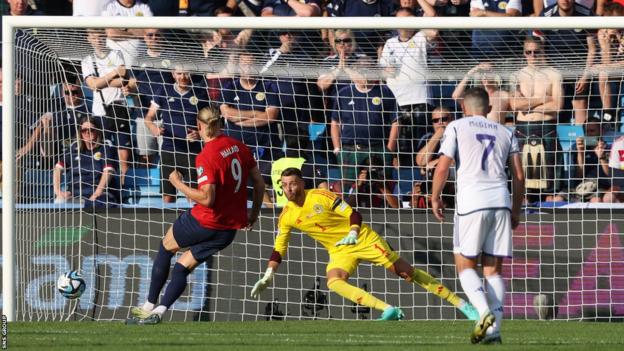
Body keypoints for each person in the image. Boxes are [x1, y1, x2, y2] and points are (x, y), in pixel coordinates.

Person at [251, 167, 480, 321]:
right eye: (284, 185)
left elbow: (354, 214)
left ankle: (460, 303)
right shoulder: (287, 215)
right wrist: (268, 274)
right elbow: (279, 247)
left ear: (301, 183)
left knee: (406, 273)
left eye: (292, 184)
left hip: (362, 238)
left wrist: (352, 232)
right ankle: (388, 309)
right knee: (334, 281)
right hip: (340, 249)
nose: (289, 189)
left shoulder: (321, 196)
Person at [127, 106, 265, 325]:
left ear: (200, 126)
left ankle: (148, 306)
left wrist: (177, 183)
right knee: (182, 266)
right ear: (220, 124)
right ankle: (159, 312)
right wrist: (253, 214)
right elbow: (259, 183)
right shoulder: (239, 146)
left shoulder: (206, 156)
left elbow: (207, 198)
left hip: (205, 221)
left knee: (166, 247)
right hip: (228, 231)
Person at [431, 87, 525, 344]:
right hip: (500, 202)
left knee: (464, 265)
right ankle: (494, 333)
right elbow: (518, 176)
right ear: (490, 108)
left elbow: (442, 166)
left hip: (472, 202)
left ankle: (484, 314)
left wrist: (435, 196)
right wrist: (515, 209)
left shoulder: (457, 127)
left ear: (463, 107)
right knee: (493, 271)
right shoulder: (507, 131)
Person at [144, 66, 211, 203]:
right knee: (168, 197)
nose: (183, 77)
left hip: (193, 151)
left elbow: (209, 122)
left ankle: (192, 223)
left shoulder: (200, 93)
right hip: (169, 149)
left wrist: (199, 134)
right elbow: (148, 118)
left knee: (194, 196)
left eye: (186, 73)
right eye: (179, 73)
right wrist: (153, 128)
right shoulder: (164, 90)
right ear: (173, 74)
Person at [53, 116, 120, 208]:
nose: (87, 133)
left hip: (100, 194)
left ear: (97, 131)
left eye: (91, 130)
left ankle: (84, 204)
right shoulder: (74, 147)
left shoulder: (105, 146)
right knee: (60, 201)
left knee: (100, 204)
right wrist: (58, 192)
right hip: (76, 193)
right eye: (84, 130)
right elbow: (58, 168)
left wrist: (97, 193)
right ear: (80, 133)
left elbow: (108, 171)